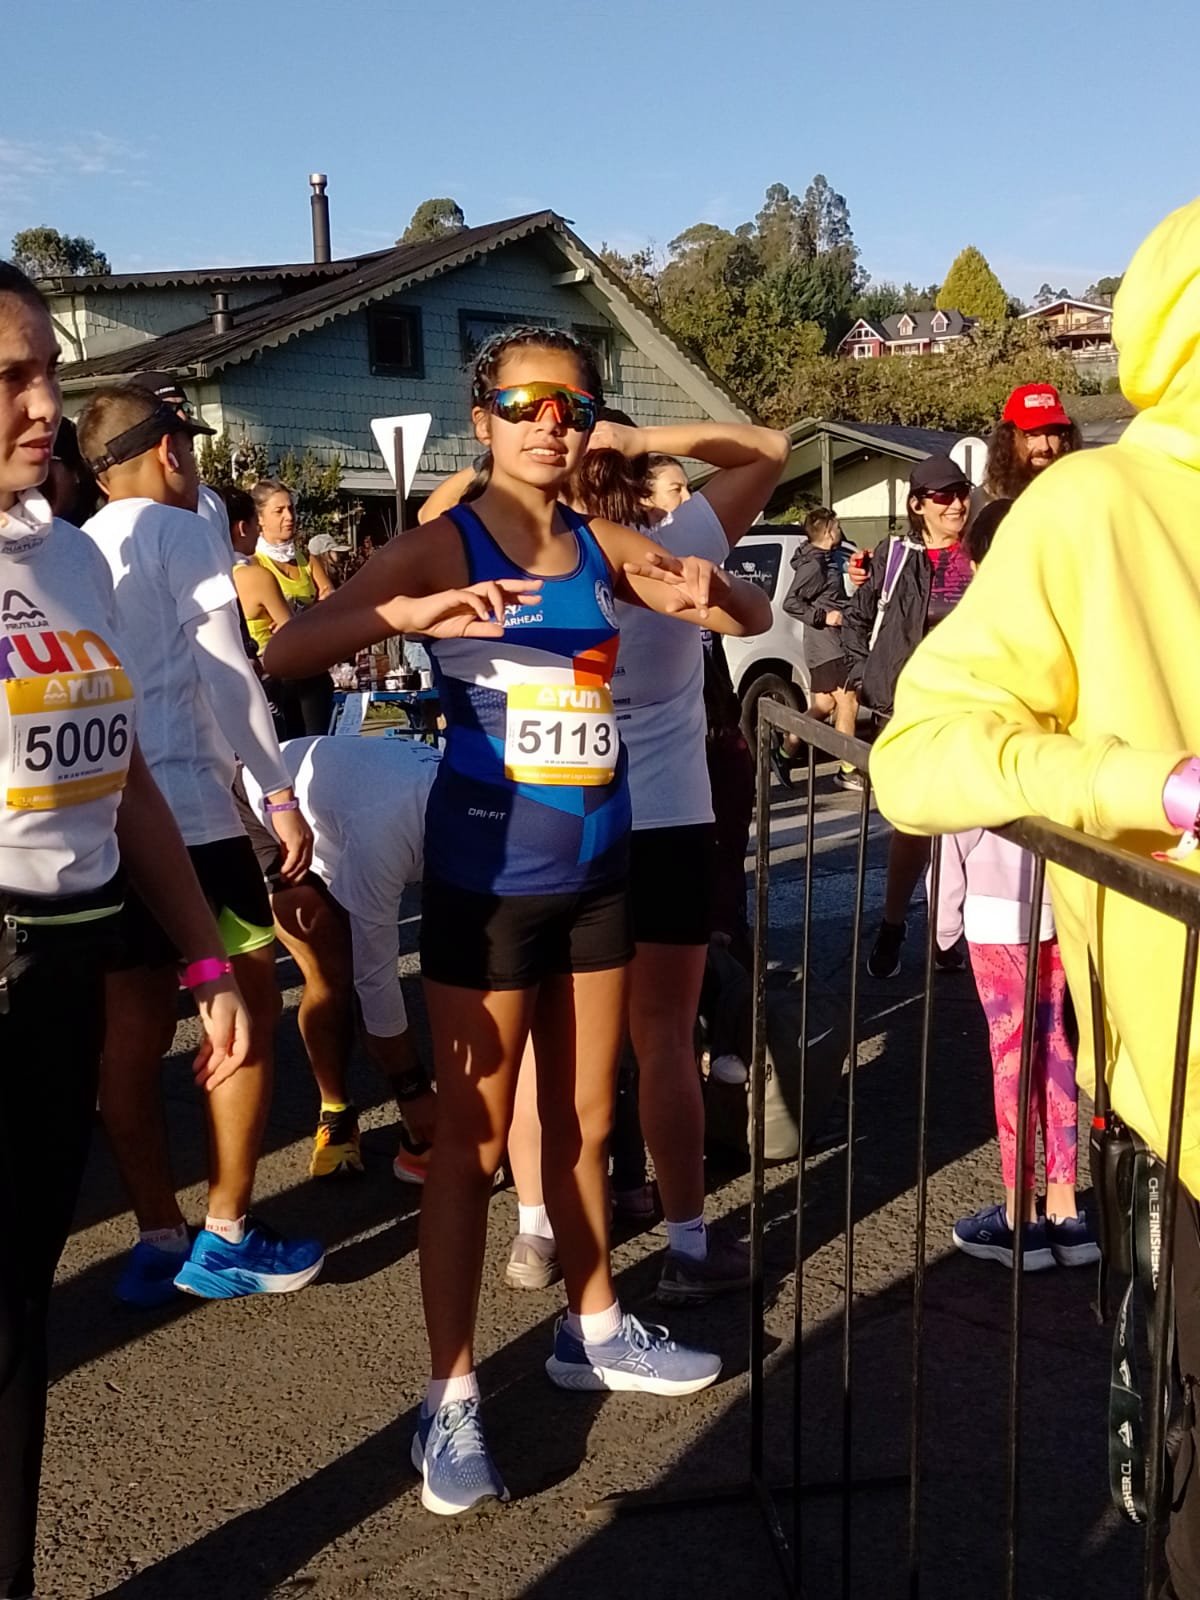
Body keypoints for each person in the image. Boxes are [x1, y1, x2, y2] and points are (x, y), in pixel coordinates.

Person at [264, 325, 771, 1517]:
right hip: (489, 881)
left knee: (587, 1118)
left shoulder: (599, 541)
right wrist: (413, 611)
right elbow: (289, 646)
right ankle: (447, 1399)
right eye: (529, 402)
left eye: (573, 406)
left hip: (599, 872)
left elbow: (741, 615)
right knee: (474, 1148)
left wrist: (714, 592)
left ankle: (591, 1325)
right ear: (482, 418)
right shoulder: (448, 538)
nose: (553, 423)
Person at [868, 197, 1200, 1597]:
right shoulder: (1090, 510)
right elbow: (916, 753)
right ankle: (1042, 1201)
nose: (1039, 444)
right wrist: (1147, 785)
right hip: (1187, 1101)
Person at [0, 259, 253, 1600]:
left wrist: (207, 956)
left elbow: (127, 776)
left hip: (68, 962)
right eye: (10, 379)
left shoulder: (65, 554)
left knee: (15, 1316)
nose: (45, 404)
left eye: (48, 371)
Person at [76, 384, 324, 1309]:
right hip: (193, 817)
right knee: (247, 1011)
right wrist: (279, 791)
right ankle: (226, 1231)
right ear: (170, 451)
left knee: (128, 1038)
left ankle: (156, 1235)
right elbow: (228, 669)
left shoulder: (75, 545)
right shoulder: (181, 532)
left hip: (108, 820)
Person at [239, 735, 439, 1178]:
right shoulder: (386, 834)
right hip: (267, 803)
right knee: (335, 968)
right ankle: (335, 1111)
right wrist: (412, 1090)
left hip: (344, 810)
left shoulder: (473, 817)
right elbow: (376, 980)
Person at [842, 454, 975, 979]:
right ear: (918, 505)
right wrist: (864, 677)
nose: (956, 504)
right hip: (910, 712)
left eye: (961, 492)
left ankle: (950, 934)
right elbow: (856, 621)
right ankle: (894, 924)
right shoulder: (894, 557)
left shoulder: (985, 551)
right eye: (943, 496)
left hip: (973, 709)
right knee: (914, 825)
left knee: (972, 826)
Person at [782, 507, 862, 791]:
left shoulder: (827, 558)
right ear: (828, 531)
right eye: (837, 527)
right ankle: (847, 769)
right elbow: (791, 602)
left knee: (824, 705)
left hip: (829, 644)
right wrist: (824, 617)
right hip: (827, 646)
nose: (840, 531)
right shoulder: (814, 565)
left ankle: (783, 752)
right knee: (849, 701)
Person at [251, 478, 335, 734]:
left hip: (310, 668)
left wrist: (299, 617)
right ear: (260, 519)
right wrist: (313, 610)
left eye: (291, 509)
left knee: (318, 744)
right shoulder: (254, 564)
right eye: (279, 511)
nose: (289, 517)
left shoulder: (305, 559)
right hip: (272, 675)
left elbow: (333, 602)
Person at [983, 382, 1082, 505]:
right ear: (1008, 438)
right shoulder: (985, 501)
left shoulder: (1083, 495)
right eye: (1032, 435)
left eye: (1052, 434)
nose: (1044, 447)